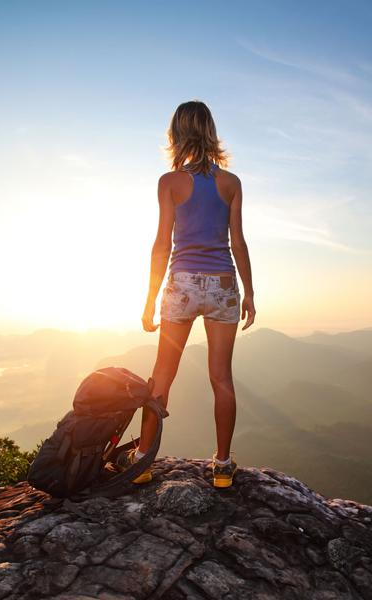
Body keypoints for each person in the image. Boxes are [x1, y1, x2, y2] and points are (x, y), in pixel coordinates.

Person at [116, 100, 256, 488]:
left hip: (182, 285)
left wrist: (149, 299)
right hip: (224, 284)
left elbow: (162, 244)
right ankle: (223, 467)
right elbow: (238, 243)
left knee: (162, 375)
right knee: (221, 378)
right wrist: (249, 293)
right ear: (211, 130)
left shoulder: (169, 182)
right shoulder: (231, 183)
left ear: (177, 133)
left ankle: (142, 461)